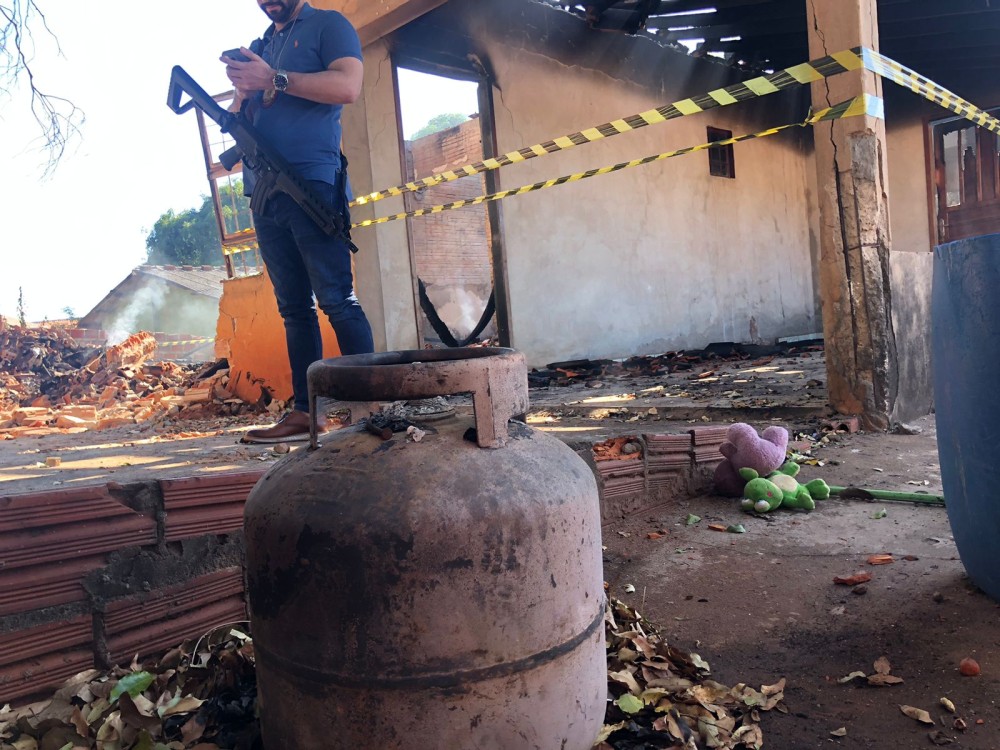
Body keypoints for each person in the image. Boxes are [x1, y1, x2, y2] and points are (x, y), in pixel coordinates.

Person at [223, 0, 374, 444]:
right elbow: (242, 112)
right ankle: (307, 414)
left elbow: (347, 86)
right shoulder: (262, 44)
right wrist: (243, 89)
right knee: (293, 308)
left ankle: (372, 409)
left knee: (337, 299)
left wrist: (272, 78)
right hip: (265, 190)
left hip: (310, 183)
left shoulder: (329, 25)